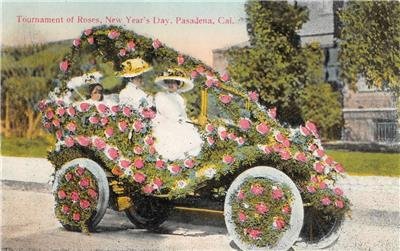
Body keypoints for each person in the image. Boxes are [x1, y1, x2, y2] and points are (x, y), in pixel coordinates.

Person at [152, 68, 203, 161]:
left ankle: (186, 160)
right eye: (169, 82)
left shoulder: (180, 98)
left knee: (190, 137)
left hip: (180, 122)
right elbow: (163, 111)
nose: (171, 85)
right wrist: (176, 119)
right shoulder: (161, 96)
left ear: (178, 85)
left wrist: (184, 120)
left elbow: (183, 113)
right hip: (166, 123)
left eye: (174, 82)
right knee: (173, 142)